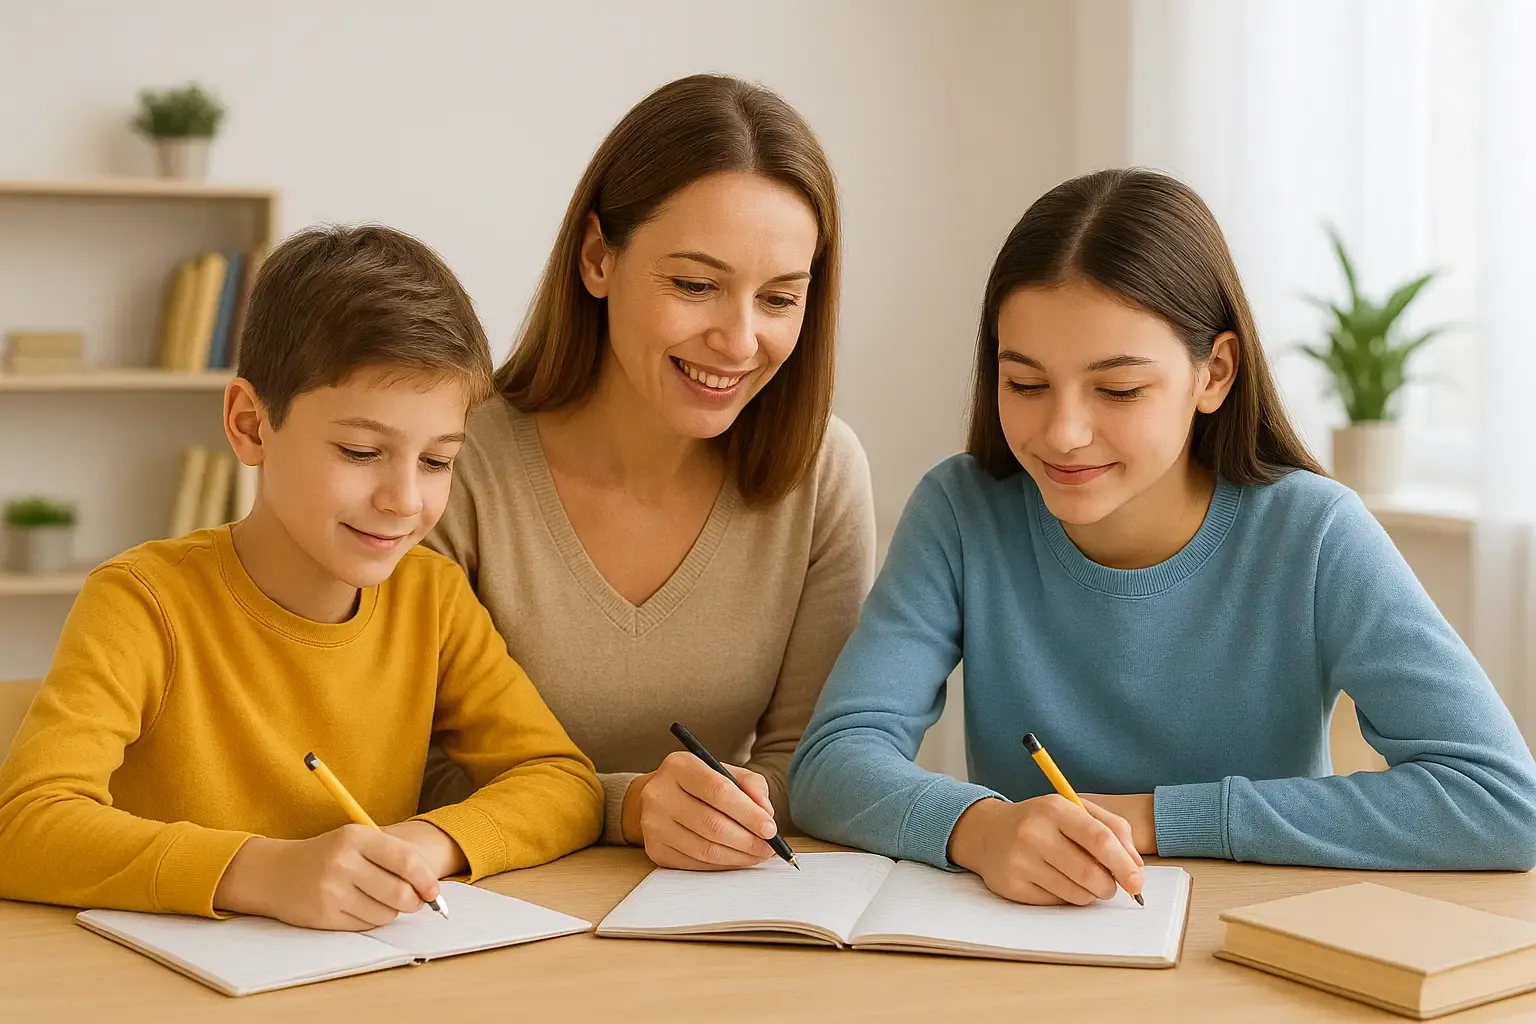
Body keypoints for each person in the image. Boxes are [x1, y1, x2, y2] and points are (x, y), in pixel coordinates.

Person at [789, 168, 1536, 906]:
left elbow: (1500, 802)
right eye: (1025, 383)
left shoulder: (1314, 533)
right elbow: (832, 762)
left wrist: (1151, 819)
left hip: (1254, 938)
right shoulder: (961, 510)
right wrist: (982, 830)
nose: (1063, 432)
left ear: (1215, 373)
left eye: (1118, 389)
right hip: (1031, 942)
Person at [0, 224, 604, 929]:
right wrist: (263, 872)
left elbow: (562, 782)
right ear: (251, 425)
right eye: (361, 451)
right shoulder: (142, 601)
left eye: (436, 461)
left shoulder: (433, 598)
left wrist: (421, 847)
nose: (404, 500)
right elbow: (26, 826)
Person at [419, 73, 875, 871]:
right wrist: (624, 807)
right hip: (488, 905)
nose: (739, 341)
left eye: (778, 299)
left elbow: (810, 764)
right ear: (599, 258)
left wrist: (731, 811)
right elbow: (409, 768)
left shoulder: (822, 473)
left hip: (715, 908)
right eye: (696, 285)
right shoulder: (452, 462)